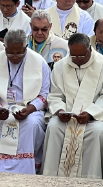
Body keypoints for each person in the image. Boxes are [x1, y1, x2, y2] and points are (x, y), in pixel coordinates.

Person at [0, 29, 50, 174]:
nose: (14, 57)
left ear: (26, 47)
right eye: (10, 53)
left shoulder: (39, 62)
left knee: (30, 125)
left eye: (19, 53)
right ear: (5, 47)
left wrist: (28, 110)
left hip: (28, 108)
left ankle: (23, 171)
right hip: (1, 106)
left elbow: (45, 94)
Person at [42, 33, 103, 178]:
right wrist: (60, 110)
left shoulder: (101, 64)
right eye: (73, 56)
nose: (76, 60)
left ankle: (91, 179)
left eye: (81, 56)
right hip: (67, 116)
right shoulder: (61, 65)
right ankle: (50, 178)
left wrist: (90, 113)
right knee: (53, 127)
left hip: (95, 117)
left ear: (89, 50)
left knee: (96, 132)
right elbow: (55, 94)